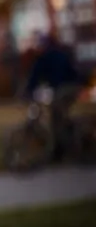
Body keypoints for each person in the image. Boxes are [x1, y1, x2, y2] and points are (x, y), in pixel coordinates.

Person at [24, 33, 83, 162]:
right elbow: (36, 76)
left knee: (56, 113)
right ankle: (61, 145)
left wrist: (29, 90)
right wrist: (30, 89)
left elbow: (40, 76)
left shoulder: (50, 56)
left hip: (68, 86)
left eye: (39, 45)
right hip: (66, 87)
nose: (38, 48)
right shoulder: (48, 56)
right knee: (56, 117)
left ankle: (61, 149)